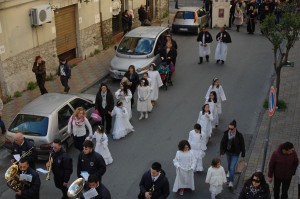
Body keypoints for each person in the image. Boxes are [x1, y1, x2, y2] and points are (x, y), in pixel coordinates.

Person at [220, 120, 245, 188]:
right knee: (229, 165)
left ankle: (231, 181)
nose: (230, 130)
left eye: (231, 128)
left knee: (232, 167)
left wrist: (243, 154)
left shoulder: (239, 135)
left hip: (235, 154)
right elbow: (222, 143)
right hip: (228, 153)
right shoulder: (226, 134)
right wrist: (222, 152)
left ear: (235, 128)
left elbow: (242, 145)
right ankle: (229, 173)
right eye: (229, 128)